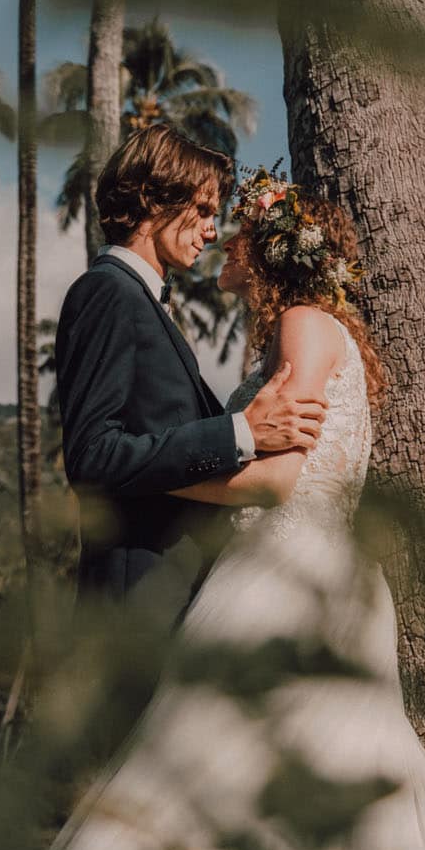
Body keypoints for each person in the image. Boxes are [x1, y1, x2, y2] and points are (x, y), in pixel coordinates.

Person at [30, 167, 425, 850]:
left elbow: (278, 479)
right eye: (214, 216)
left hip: (285, 571)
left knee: (214, 778)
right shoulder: (301, 330)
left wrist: (159, 477)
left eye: (236, 225)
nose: (223, 238)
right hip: (294, 568)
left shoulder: (303, 326)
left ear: (269, 249)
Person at [54, 125, 326, 631]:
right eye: (202, 211)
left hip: (173, 600)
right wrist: (242, 432)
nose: (210, 231)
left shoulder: (142, 303)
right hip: (133, 606)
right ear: (151, 197)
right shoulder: (106, 293)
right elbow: (92, 456)